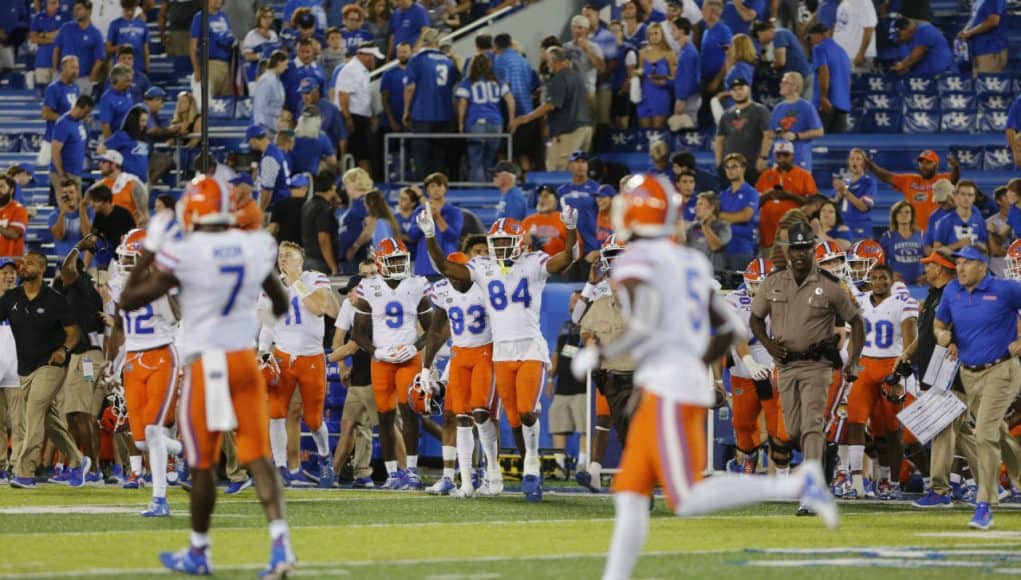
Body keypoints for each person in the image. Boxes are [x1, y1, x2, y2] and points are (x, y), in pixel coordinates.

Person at [569, 175, 836, 580]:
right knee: (630, 492)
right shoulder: (692, 261)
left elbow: (642, 329)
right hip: (671, 383)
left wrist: (601, 354)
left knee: (688, 497)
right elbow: (728, 330)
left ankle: (796, 485)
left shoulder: (637, 262)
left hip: (669, 390)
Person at [118, 176, 294, 575]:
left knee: (200, 462)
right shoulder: (253, 246)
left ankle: (199, 551)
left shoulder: (187, 251)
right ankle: (280, 543)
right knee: (259, 457)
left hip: (206, 362)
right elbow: (280, 302)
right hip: (243, 360)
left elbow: (128, 300)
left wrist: (149, 250)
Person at [422, 201, 579, 502]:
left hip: (530, 346)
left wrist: (570, 229)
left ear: (519, 242)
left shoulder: (533, 262)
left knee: (525, 410)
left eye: (507, 242)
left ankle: (531, 462)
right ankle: (517, 468)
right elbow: (445, 268)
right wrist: (430, 235)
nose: (502, 248)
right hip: (501, 353)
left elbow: (567, 259)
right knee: (514, 418)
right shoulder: (483, 267)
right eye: (497, 243)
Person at [751, 221, 864, 515]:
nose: (800, 253)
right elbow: (755, 319)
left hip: (818, 365)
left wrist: (853, 360)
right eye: (795, 248)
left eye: (805, 248)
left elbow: (857, 321)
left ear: (812, 250)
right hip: (786, 366)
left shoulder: (830, 284)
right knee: (794, 429)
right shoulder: (773, 282)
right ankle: (825, 457)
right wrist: (767, 343)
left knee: (812, 425)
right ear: (788, 251)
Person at [934, 245, 1021, 530]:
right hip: (968, 373)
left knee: (983, 433)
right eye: (957, 263)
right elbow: (939, 323)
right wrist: (945, 336)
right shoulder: (952, 292)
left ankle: (985, 504)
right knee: (995, 432)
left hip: (1001, 370)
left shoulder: (1006, 289)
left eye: (966, 263)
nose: (959, 268)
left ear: (983, 265)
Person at [104, 229, 181, 513]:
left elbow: (178, 315)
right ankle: (185, 450)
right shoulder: (121, 286)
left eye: (129, 257)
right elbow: (119, 329)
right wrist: (112, 363)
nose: (124, 263)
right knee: (140, 439)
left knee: (152, 430)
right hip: (134, 360)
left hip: (162, 356)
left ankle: (159, 498)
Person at [349, 237, 432, 490]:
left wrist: (414, 346)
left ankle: (413, 471)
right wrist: (377, 351)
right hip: (382, 361)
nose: (398, 265)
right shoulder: (368, 287)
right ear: (380, 262)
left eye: (400, 259)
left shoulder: (417, 285)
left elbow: (433, 330)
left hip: (409, 359)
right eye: (392, 260)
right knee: (384, 417)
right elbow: (358, 333)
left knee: (409, 412)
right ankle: (393, 473)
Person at [2, 251, 88, 490]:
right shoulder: (12, 298)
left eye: (29, 263)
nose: (23, 266)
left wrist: (64, 349)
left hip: (51, 365)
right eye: (23, 263)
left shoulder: (55, 299)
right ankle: (78, 460)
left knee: (33, 411)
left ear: (41, 269)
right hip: (24, 368)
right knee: (48, 420)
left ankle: (24, 472)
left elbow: (74, 333)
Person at [258, 241, 340, 488]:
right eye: (280, 256)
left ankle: (325, 457)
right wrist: (262, 353)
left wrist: (296, 282)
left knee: (314, 419)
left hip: (312, 358)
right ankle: (281, 467)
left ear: (300, 260)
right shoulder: (270, 286)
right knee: (275, 412)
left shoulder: (314, 278)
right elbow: (267, 325)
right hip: (283, 356)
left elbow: (318, 308)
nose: (283, 259)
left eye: (288, 255)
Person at [420, 251, 501, 497]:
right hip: (460, 355)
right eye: (450, 274)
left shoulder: (484, 286)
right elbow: (435, 332)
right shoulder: (442, 290)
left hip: (485, 351)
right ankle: (466, 483)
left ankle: (493, 472)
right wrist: (426, 366)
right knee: (461, 417)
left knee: (480, 411)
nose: (454, 279)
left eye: (458, 273)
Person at [843, 263, 918, 499]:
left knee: (892, 429)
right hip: (865, 364)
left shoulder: (903, 302)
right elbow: (855, 334)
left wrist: (903, 368)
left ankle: (891, 481)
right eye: (874, 278)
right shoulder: (860, 302)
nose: (879, 282)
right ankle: (856, 482)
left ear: (891, 280)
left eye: (883, 278)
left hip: (890, 365)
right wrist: (851, 362)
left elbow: (910, 337)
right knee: (855, 421)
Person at [725, 258, 789, 475]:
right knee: (743, 424)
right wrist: (749, 362)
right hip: (745, 370)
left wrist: (775, 364)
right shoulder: (735, 301)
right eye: (755, 284)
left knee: (776, 426)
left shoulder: (786, 301)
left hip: (774, 370)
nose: (760, 289)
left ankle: (780, 475)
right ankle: (750, 456)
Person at [327, 265, 380, 489]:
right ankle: (340, 475)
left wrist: (328, 360)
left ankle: (405, 473)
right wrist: (341, 367)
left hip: (379, 373)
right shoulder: (352, 305)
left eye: (351, 291)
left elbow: (351, 344)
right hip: (359, 373)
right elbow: (340, 341)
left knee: (387, 428)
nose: (348, 296)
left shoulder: (380, 303)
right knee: (350, 426)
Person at [510, 46, 593, 171]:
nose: (547, 65)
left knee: (557, 169)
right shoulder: (577, 77)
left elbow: (550, 105)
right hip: (585, 129)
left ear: (554, 61)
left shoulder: (559, 78)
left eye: (548, 61)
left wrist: (527, 118)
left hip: (569, 131)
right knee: (578, 170)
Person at [402, 28, 455, 181]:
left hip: (422, 114)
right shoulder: (448, 61)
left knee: (421, 157)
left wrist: (406, 110)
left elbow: (410, 87)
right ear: (438, 43)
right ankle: (439, 189)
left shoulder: (417, 60)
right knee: (440, 157)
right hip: (445, 114)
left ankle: (423, 192)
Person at [456, 54, 515, 183]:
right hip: (495, 123)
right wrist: (511, 120)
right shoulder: (498, 80)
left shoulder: (468, 81)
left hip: (476, 123)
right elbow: (510, 100)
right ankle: (490, 192)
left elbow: (462, 103)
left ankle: (478, 194)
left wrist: (460, 123)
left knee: (476, 161)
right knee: (490, 162)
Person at [548, 292, 588, 481]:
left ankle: (583, 465)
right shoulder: (565, 326)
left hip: (583, 387)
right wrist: (550, 379)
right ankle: (560, 465)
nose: (571, 303)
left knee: (585, 428)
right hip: (562, 386)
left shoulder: (590, 323)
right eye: (571, 300)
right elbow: (557, 352)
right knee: (558, 426)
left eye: (575, 300)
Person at [867, 149, 957, 232]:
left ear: (936, 165)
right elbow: (887, 177)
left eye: (929, 162)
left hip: (939, 232)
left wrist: (956, 167)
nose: (924, 166)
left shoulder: (943, 179)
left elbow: (954, 178)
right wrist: (871, 166)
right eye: (921, 162)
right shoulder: (909, 180)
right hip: (915, 234)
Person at [755, 140, 817, 254]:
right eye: (779, 155)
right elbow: (755, 203)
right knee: (769, 269)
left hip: (795, 236)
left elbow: (813, 204)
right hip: (768, 235)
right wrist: (768, 195)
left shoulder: (804, 175)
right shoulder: (766, 175)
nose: (782, 158)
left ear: (792, 156)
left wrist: (791, 195)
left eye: (786, 155)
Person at [493, 32, 541, 171]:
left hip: (508, 113)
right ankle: (528, 185)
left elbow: (503, 86)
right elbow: (532, 86)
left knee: (503, 152)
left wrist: (511, 118)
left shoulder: (499, 60)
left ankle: (504, 183)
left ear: (496, 46)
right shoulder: (523, 61)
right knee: (523, 154)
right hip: (527, 111)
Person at [335, 42, 383, 173]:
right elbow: (343, 95)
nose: (373, 60)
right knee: (361, 155)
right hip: (353, 118)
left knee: (364, 154)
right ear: (364, 55)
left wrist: (371, 115)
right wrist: (348, 119)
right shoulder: (351, 70)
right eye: (372, 57)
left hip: (361, 117)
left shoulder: (361, 70)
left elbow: (363, 97)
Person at [714, 77, 771, 184]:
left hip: (751, 166)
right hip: (729, 167)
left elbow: (767, 135)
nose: (738, 92)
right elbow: (719, 139)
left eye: (741, 88)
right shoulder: (727, 114)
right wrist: (719, 161)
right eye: (734, 90)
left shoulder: (760, 110)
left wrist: (763, 158)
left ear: (748, 89)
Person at [406, 173, 463, 277]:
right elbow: (412, 235)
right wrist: (424, 220)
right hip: (424, 266)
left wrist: (437, 217)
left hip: (447, 266)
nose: (436, 189)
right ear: (427, 190)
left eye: (439, 185)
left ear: (445, 188)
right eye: (432, 186)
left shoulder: (454, 211)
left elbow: (453, 236)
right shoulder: (419, 211)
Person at [770, 73, 823, 171]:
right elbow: (771, 132)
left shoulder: (806, 107)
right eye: (782, 82)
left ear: (795, 87)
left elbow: (819, 131)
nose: (781, 85)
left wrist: (796, 136)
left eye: (786, 82)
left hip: (799, 158)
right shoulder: (778, 108)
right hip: (779, 159)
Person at [807, 23, 851, 134]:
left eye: (811, 37)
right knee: (838, 144)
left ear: (819, 35)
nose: (810, 41)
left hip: (826, 103)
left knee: (820, 142)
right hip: (842, 102)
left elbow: (824, 71)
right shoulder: (842, 51)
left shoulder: (819, 48)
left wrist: (823, 97)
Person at [53, 0, 104, 95]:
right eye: (75, 9)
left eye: (79, 9)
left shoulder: (96, 34)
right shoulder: (66, 28)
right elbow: (57, 49)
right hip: (62, 78)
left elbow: (99, 59)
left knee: (80, 109)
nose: (76, 12)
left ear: (89, 11)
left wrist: (90, 79)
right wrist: (55, 72)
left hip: (82, 80)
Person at [718, 153, 759, 271]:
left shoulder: (751, 192)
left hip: (742, 249)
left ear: (743, 168)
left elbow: (746, 216)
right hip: (723, 249)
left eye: (734, 167)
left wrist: (720, 216)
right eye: (727, 167)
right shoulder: (723, 195)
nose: (730, 170)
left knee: (741, 286)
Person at [40, 55, 80, 168]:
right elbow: (46, 114)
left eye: (77, 68)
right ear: (63, 68)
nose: (75, 71)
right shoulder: (54, 88)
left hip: (68, 142)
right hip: (52, 140)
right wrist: (66, 120)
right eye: (72, 67)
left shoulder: (75, 88)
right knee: (46, 175)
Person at [90, 149, 147, 227]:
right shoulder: (100, 185)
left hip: (129, 230)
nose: (100, 165)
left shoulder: (132, 182)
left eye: (103, 162)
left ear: (114, 164)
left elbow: (144, 214)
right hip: (108, 232)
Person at [189, 0, 235, 97]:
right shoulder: (200, 17)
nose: (220, 1)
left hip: (226, 65)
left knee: (225, 103)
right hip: (210, 65)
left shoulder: (224, 16)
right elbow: (193, 47)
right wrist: (197, 70)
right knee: (207, 102)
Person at [633, 23, 674, 129]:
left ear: (662, 34)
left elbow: (675, 77)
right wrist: (637, 73)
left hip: (661, 96)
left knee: (658, 133)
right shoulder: (642, 53)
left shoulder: (669, 53)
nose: (654, 36)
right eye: (651, 34)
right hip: (644, 96)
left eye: (656, 33)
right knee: (645, 133)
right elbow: (641, 70)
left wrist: (663, 80)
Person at [103, 106, 152, 192]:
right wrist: (115, 167)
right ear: (134, 121)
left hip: (143, 183)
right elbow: (102, 148)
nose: (144, 124)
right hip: (126, 183)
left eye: (146, 121)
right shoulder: (122, 135)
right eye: (142, 120)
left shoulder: (144, 138)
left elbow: (144, 162)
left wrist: (148, 181)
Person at [49, 95, 93, 191]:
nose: (86, 115)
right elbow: (55, 151)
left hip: (75, 173)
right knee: (68, 205)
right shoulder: (63, 124)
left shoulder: (79, 122)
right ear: (78, 108)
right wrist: (61, 175)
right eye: (85, 112)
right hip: (66, 174)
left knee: (77, 205)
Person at [831, 148, 875, 241]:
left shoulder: (868, 182)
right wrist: (838, 193)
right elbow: (834, 202)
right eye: (852, 159)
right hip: (842, 227)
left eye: (858, 159)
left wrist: (845, 192)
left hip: (860, 229)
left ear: (864, 162)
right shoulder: (844, 180)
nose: (854, 161)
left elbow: (863, 207)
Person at [752, 20, 812, 89]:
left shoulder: (779, 34)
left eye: (758, 38)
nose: (759, 41)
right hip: (799, 77)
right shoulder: (781, 33)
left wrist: (768, 68)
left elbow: (780, 62)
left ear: (760, 33)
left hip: (801, 76)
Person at [87, 184, 135, 269]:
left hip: (129, 260)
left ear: (107, 201)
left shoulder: (124, 214)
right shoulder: (99, 216)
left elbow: (134, 239)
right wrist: (84, 268)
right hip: (114, 260)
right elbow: (92, 241)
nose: (92, 204)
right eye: (92, 201)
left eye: (96, 201)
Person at [563, 14, 605, 110]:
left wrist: (587, 50)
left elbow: (602, 68)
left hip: (586, 92)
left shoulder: (594, 47)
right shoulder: (565, 47)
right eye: (574, 27)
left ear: (587, 30)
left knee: (586, 123)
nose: (577, 31)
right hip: (569, 92)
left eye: (580, 28)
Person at [890, 17, 956, 77]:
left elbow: (918, 54)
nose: (897, 39)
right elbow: (908, 63)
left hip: (944, 77)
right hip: (922, 81)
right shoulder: (903, 42)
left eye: (898, 35)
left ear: (907, 28)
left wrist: (902, 65)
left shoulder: (925, 30)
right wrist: (904, 69)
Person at [933, 180, 989, 251]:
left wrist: (979, 246)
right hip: (952, 261)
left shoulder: (980, 221)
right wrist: (958, 245)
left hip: (974, 261)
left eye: (970, 195)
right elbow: (936, 251)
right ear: (956, 196)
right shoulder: (944, 222)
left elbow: (986, 249)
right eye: (963, 194)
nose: (966, 198)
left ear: (974, 198)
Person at [879, 201, 925, 284]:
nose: (904, 215)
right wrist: (889, 275)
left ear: (912, 215)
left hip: (919, 283)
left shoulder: (922, 235)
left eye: (907, 212)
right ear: (895, 216)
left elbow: (931, 259)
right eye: (900, 212)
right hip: (896, 284)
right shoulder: (887, 237)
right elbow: (880, 262)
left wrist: (926, 275)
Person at [686, 191, 732, 273]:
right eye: (697, 204)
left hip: (715, 276)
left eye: (701, 204)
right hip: (695, 273)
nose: (696, 208)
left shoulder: (723, 226)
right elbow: (683, 247)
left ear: (711, 208)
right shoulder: (693, 226)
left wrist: (704, 225)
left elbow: (715, 246)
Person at [248, 125, 291, 211]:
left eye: (249, 141)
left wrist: (260, 212)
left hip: (275, 206)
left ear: (253, 140)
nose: (249, 144)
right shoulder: (272, 151)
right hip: (279, 203)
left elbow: (267, 191)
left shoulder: (269, 158)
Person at [48, 178, 93, 259]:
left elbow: (88, 236)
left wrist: (82, 210)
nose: (68, 196)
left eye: (71, 192)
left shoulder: (89, 212)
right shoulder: (54, 215)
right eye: (64, 193)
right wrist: (62, 213)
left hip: (86, 263)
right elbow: (59, 236)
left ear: (77, 194)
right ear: (60, 195)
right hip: (64, 263)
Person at [670, 17, 701, 128]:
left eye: (673, 29)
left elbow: (687, 78)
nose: (671, 32)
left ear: (681, 31)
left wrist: (682, 100)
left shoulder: (688, 52)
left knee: (687, 135)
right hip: (687, 97)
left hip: (688, 99)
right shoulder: (685, 50)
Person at [242, 6, 281, 89]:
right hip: (255, 74)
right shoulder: (251, 35)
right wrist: (261, 55)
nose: (267, 20)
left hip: (272, 74)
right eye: (265, 17)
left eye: (270, 17)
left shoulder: (273, 34)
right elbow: (247, 56)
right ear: (259, 18)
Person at [106, 0, 149, 75]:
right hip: (120, 70)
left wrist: (147, 65)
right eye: (127, 10)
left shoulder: (142, 25)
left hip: (138, 68)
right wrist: (121, 47)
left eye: (132, 10)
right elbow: (108, 49)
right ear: (122, 9)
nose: (130, 13)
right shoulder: (114, 24)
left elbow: (145, 47)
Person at [699, 0, 732, 96]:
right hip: (705, 80)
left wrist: (717, 80)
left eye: (704, 9)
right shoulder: (706, 31)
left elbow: (729, 57)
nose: (702, 12)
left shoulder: (724, 31)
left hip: (718, 82)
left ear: (712, 11)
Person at [832, 0, 877, 71]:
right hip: (842, 56)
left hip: (855, 57)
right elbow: (839, 27)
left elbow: (869, 29)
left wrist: (861, 54)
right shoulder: (844, 3)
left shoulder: (864, 2)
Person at [30, 0, 66, 88]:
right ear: (46, 4)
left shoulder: (65, 16)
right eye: (53, 3)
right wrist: (53, 40)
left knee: (58, 92)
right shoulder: (38, 17)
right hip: (42, 62)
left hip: (60, 63)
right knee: (41, 92)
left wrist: (44, 35)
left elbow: (63, 32)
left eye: (57, 3)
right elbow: (33, 38)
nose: (56, 5)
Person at [523, 187, 568, 256]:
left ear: (556, 202)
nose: (541, 199)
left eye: (546, 196)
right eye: (540, 196)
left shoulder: (564, 220)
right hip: (533, 263)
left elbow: (575, 246)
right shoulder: (528, 221)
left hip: (558, 263)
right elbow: (519, 246)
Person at [252, 50, 288, 132]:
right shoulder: (266, 80)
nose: (286, 67)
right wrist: (259, 130)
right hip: (265, 127)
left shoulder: (276, 79)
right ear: (279, 62)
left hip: (273, 126)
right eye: (285, 64)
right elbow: (260, 107)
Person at [269, 175, 308, 245]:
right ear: (305, 188)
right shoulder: (310, 205)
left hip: (285, 250)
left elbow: (272, 229)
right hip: (305, 250)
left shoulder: (279, 204)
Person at [0, 177, 29, 259]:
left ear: (11, 189)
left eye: (2, 186)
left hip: (10, 265)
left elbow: (15, 234)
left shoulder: (19, 209)